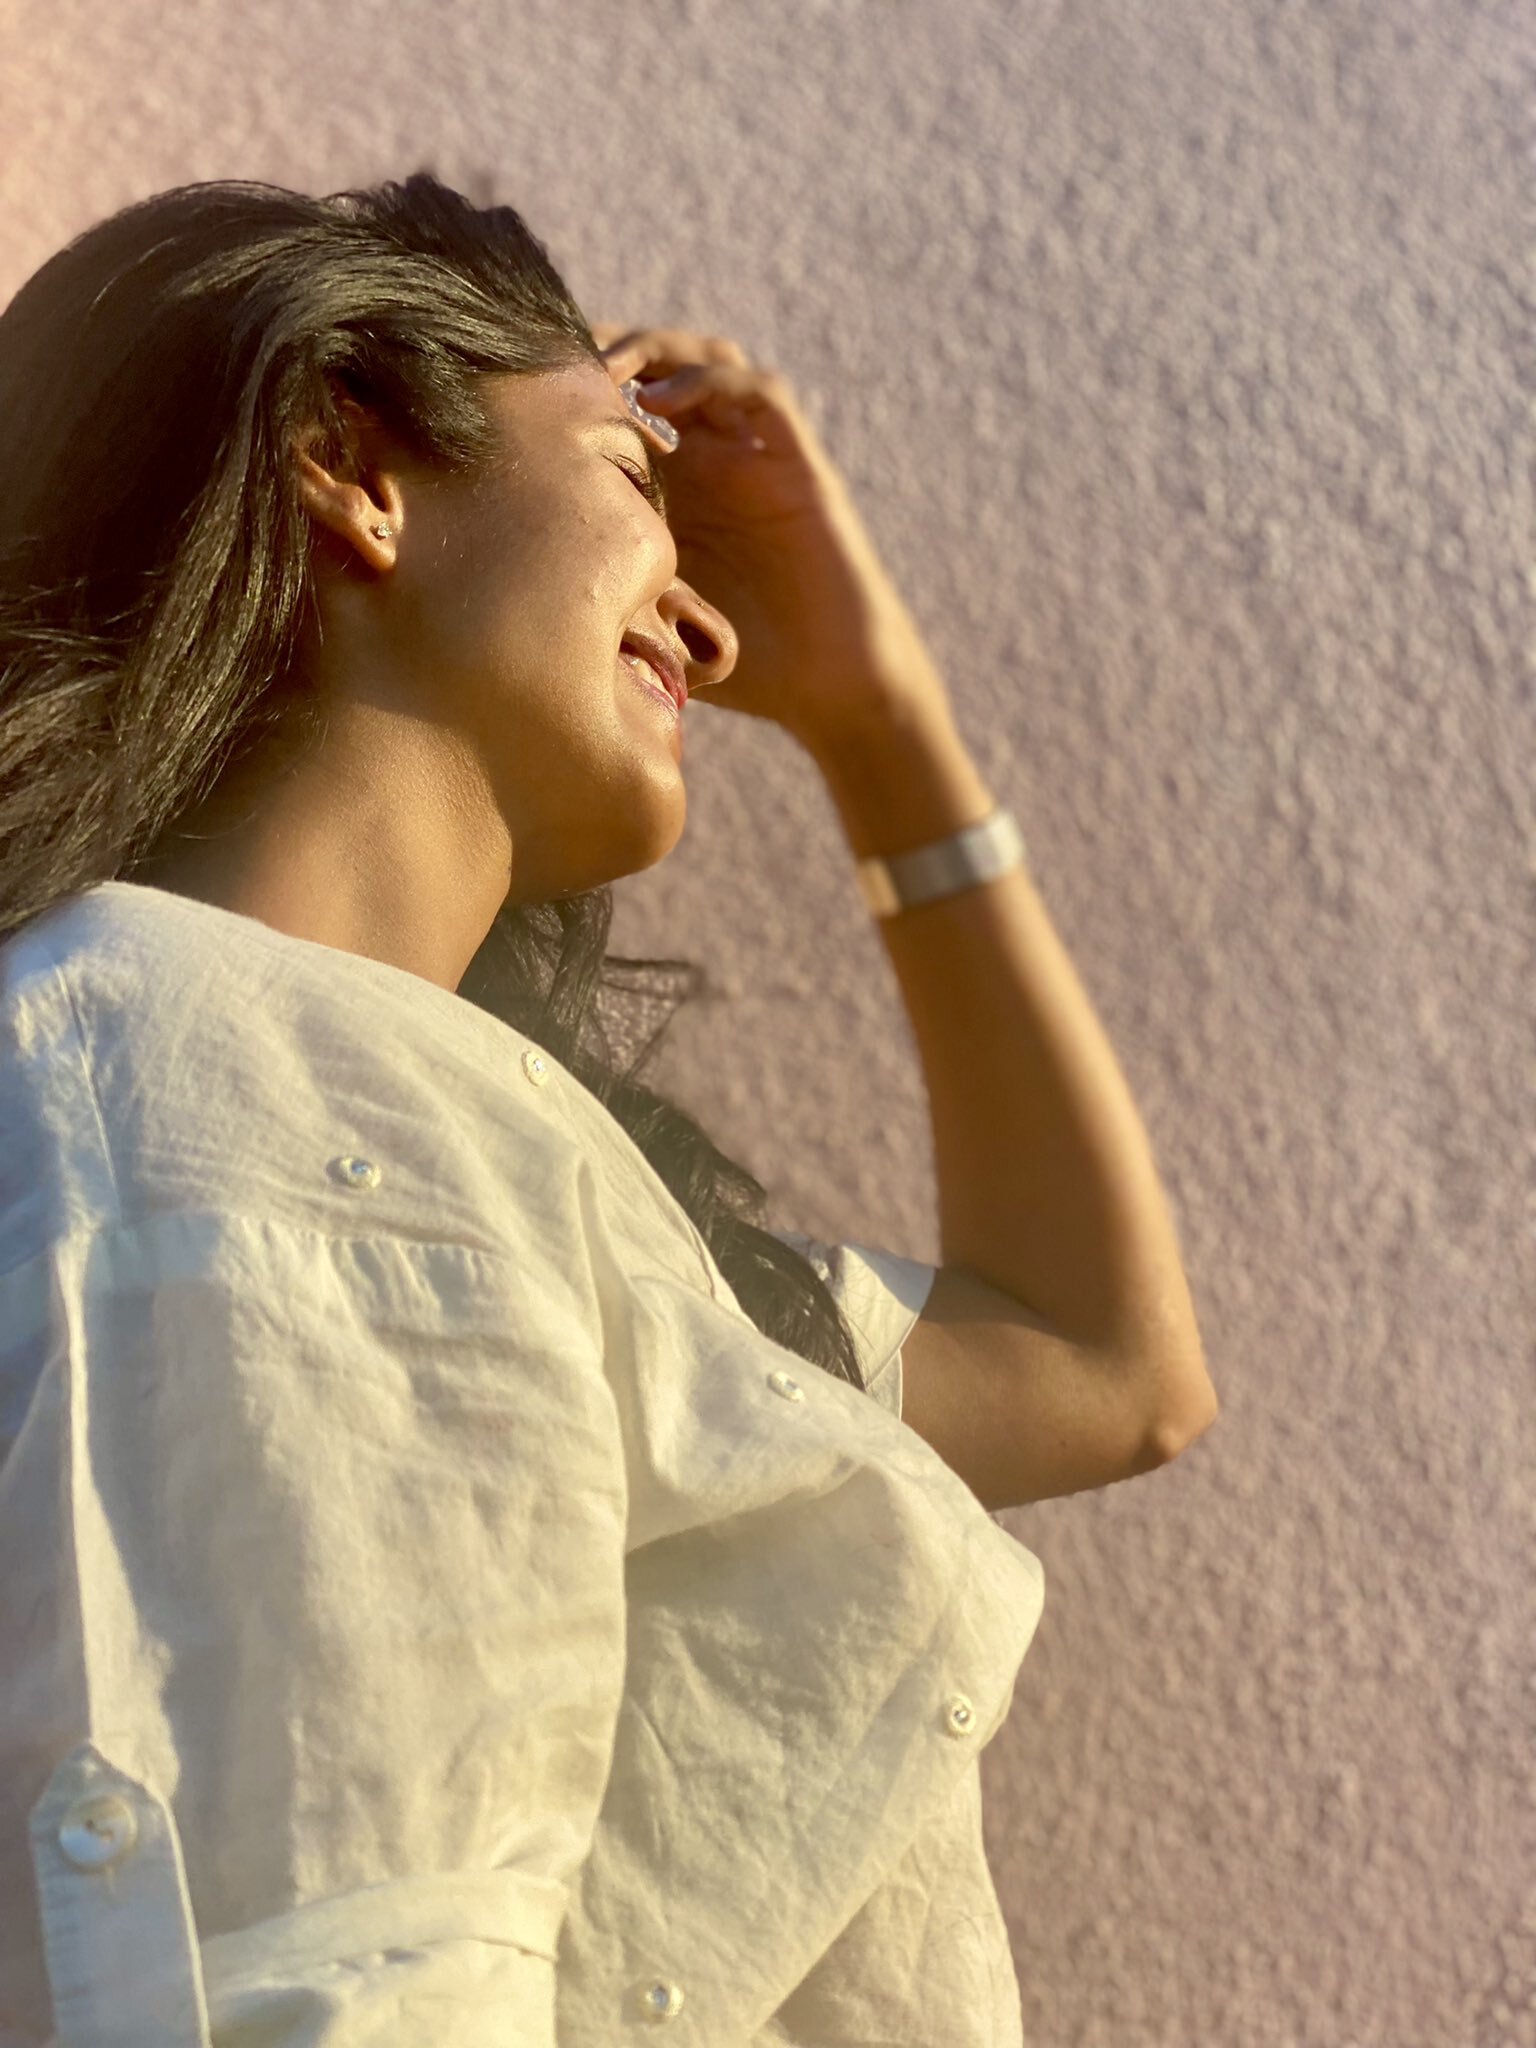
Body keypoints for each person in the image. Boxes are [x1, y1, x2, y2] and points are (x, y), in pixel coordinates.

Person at [0, 174, 1216, 2046]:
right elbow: (318, 1976)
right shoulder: (161, 1073)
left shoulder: (481, 1160)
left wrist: (879, 716)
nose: (712, 635)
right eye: (634, 480)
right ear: (353, 463)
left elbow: (1107, 1369)